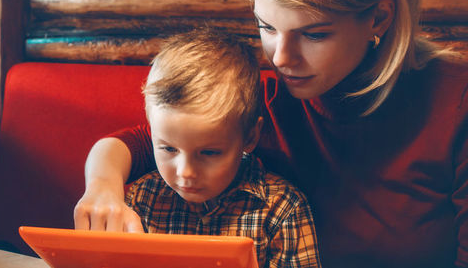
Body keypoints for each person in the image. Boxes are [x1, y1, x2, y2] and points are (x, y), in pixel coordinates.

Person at [74, 0, 468, 267]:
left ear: (378, 17)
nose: (280, 57)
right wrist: (102, 187)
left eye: (314, 34)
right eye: (266, 26)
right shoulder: (271, 99)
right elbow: (136, 143)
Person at [125, 28, 321, 267]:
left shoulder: (282, 210)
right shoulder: (142, 200)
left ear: (250, 138)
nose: (185, 172)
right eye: (168, 149)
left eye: (209, 152)